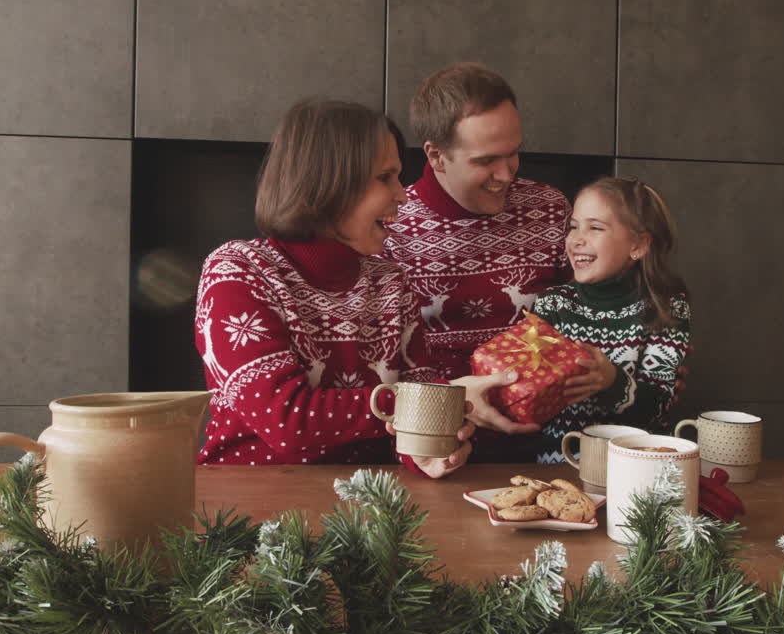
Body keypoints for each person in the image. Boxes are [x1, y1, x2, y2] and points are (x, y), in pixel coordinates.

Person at [194, 98, 511, 478]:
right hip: (250, 504)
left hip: (372, 503)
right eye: (384, 177)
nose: (403, 194)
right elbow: (286, 420)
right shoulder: (238, 272)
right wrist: (427, 403)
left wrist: (425, 451)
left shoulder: (390, 282)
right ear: (327, 182)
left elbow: (409, 418)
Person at [383, 63, 571, 449]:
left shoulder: (550, 208)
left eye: (513, 154)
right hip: (439, 432)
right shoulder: (388, 225)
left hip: (549, 426)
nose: (506, 174)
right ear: (436, 156)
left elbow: (586, 311)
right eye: (485, 161)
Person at [531, 177, 692, 464]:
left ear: (638, 245)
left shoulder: (667, 306)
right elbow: (536, 395)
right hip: (558, 465)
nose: (577, 239)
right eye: (573, 226)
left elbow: (659, 405)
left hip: (637, 467)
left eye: (595, 228)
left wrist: (611, 381)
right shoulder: (552, 303)